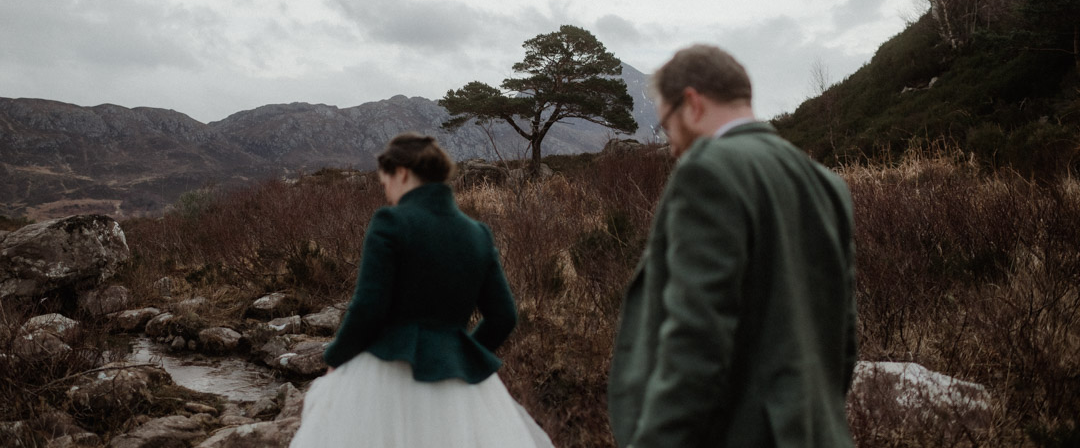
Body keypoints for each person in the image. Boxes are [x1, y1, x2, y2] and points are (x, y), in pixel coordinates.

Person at [608, 45, 857, 448]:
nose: (671, 146)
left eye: (667, 127)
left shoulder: (708, 171)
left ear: (691, 103)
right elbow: (844, 340)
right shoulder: (828, 185)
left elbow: (697, 338)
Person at [289, 132, 554, 448]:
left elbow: (368, 307)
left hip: (389, 373)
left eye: (384, 179)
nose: (385, 189)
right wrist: (460, 355)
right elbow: (503, 317)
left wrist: (336, 359)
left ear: (401, 172)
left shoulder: (391, 221)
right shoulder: (477, 234)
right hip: (457, 381)